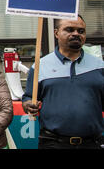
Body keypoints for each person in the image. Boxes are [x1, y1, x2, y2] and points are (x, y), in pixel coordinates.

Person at [22, 15, 104, 149]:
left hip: (92, 143)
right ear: (56, 33)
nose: (76, 34)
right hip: (53, 143)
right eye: (70, 29)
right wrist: (29, 105)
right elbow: (29, 98)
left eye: (81, 31)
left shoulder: (99, 66)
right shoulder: (39, 66)